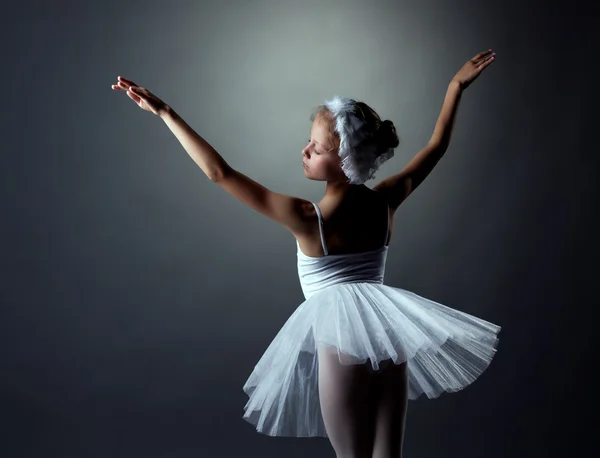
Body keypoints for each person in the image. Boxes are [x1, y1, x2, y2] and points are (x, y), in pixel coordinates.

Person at [112, 49, 499, 458]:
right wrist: (456, 87)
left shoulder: (306, 217)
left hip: (342, 344)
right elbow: (436, 147)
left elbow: (219, 173)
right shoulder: (386, 200)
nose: (305, 151)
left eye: (316, 147)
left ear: (345, 161)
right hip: (390, 337)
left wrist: (166, 113)